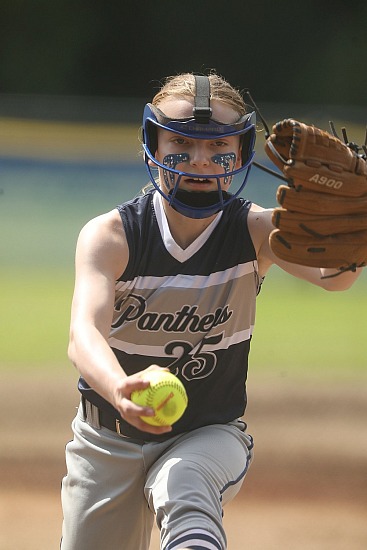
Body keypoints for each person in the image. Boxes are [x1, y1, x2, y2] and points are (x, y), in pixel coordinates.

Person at [60, 72, 363, 550]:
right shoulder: (112, 236)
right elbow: (83, 334)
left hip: (208, 433)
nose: (200, 159)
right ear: (153, 145)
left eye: (218, 144)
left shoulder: (257, 230)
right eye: (180, 140)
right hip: (106, 440)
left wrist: (355, 238)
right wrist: (120, 390)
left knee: (183, 486)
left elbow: (336, 278)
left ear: (240, 154)